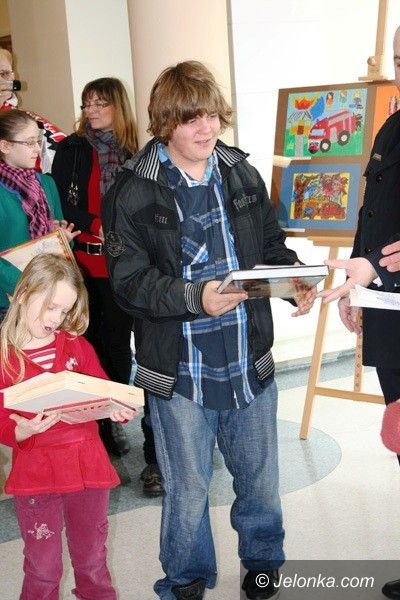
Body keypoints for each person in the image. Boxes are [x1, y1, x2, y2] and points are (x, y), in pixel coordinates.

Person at [102, 60, 316, 600]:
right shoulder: (132, 189)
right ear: (165, 123)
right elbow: (129, 284)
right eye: (192, 119)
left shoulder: (240, 173)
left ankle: (262, 565)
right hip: (178, 369)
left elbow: (269, 246)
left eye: (213, 115)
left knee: (260, 481)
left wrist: (293, 279)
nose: (207, 128)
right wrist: (195, 298)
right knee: (188, 489)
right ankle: (186, 579)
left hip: (247, 356)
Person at [0, 253, 137, 599]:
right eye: (51, 307)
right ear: (23, 294)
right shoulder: (5, 358)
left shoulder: (77, 345)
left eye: (64, 311)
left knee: (92, 561)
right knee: (43, 570)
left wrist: (118, 408)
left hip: (87, 467)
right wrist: (20, 431)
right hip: (37, 474)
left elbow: (103, 390)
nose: (56, 319)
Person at [318, 25, 400, 600]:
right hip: (390, 311)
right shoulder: (392, 127)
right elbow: (372, 213)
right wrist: (355, 285)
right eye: (399, 56)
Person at [51, 77, 138, 459]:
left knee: (118, 348)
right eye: (87, 104)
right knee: (89, 346)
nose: (92, 111)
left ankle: (114, 415)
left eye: (101, 103)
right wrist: (98, 224)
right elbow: (60, 202)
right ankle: (99, 426)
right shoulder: (71, 148)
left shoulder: (135, 151)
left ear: (118, 106)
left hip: (124, 265)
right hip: (84, 264)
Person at [0, 109, 77, 324]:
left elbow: (60, 239)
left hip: (49, 293)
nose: (37, 149)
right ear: (5, 146)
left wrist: (64, 239)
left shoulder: (47, 183)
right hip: (9, 300)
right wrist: (27, 286)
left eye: (38, 141)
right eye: (29, 142)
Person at [0, 47, 65, 173]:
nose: (1, 81)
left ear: (13, 77)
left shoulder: (28, 121)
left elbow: (66, 155)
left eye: (5, 74)